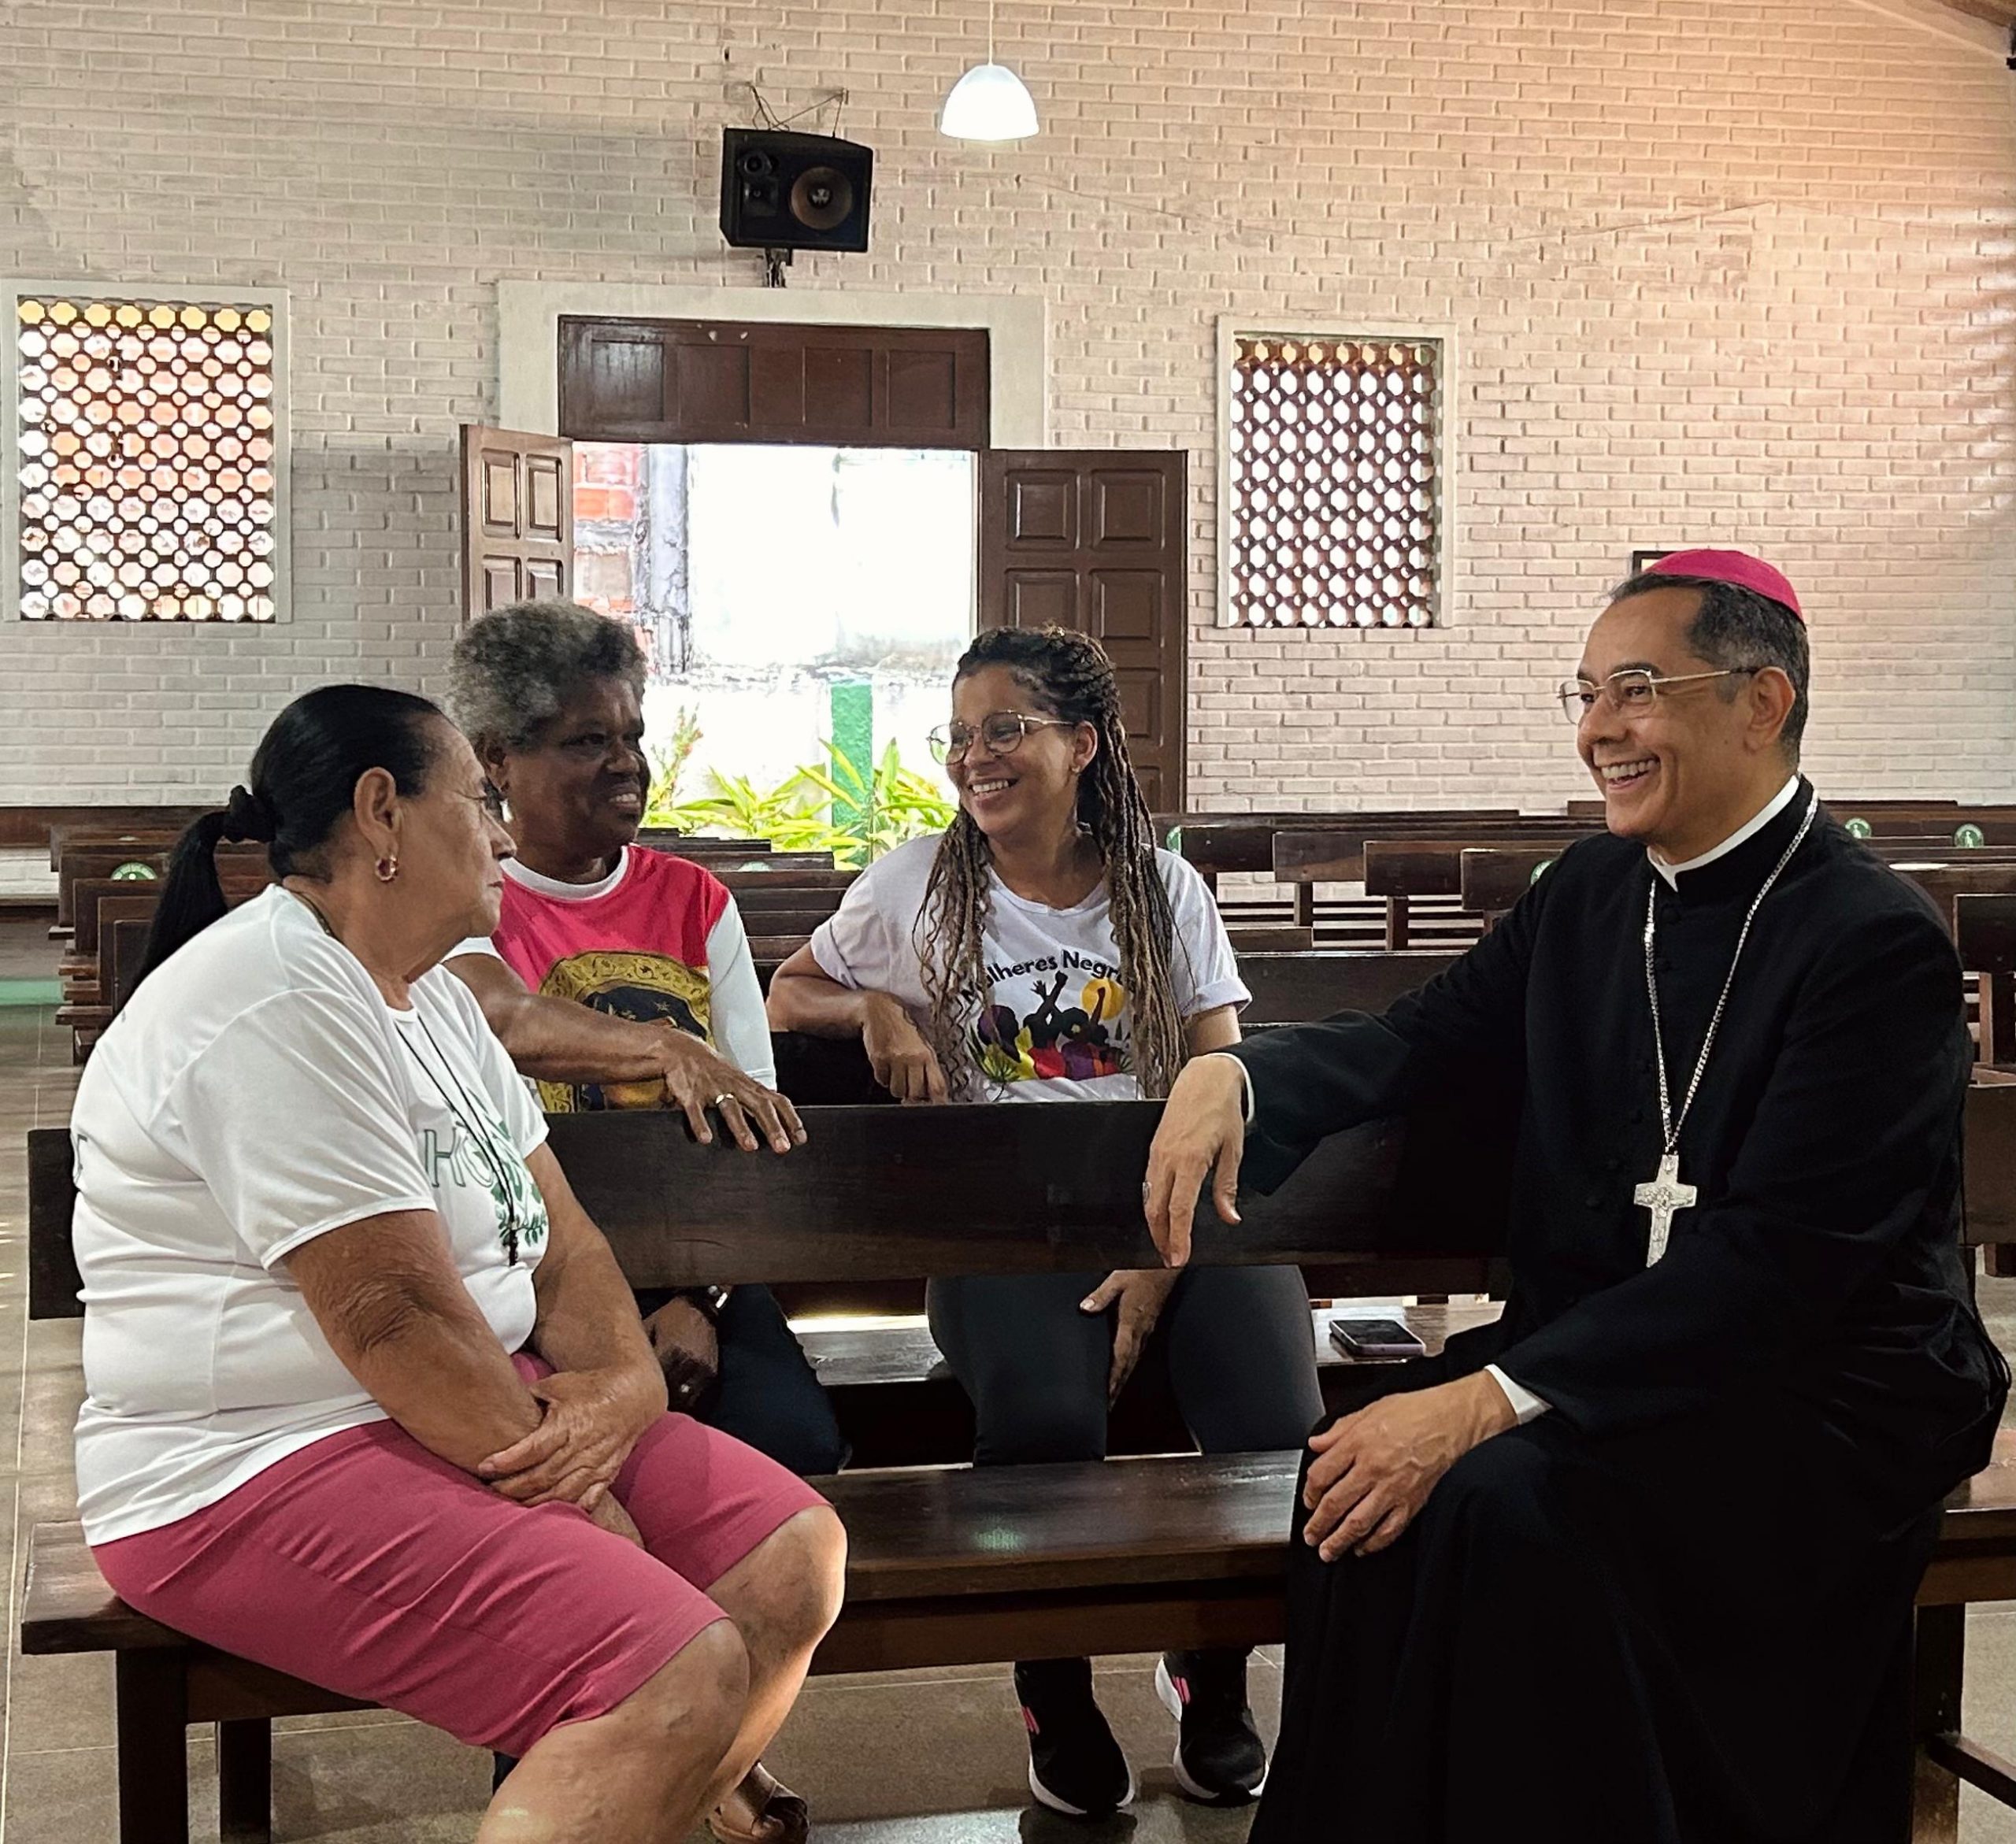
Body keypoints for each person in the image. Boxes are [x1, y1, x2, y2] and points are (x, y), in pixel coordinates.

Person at [1144, 550, 2010, 1844]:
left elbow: (1786, 1265)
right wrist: (1240, 1073)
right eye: (1589, 692)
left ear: (1762, 701)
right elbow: (1426, 1035)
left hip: (1827, 1385)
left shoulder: (1871, 941)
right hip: (1613, 1343)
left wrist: (1484, 1398)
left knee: (1503, 1505)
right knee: (1356, 1477)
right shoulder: (1595, 893)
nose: (1600, 727)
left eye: (1638, 689)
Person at [75, 685, 846, 1844]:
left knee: (789, 1557)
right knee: (663, 1664)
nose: (500, 834)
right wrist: (588, 1499)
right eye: (479, 801)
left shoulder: (434, 995)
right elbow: (393, 1320)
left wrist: (626, 1389)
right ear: (381, 813)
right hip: (248, 1459)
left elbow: (562, 1238)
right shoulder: (272, 997)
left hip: (448, 1404)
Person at [768, 625, 1324, 1819]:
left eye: (1006, 729)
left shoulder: (1159, 887)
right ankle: (1053, 1691)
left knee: (1278, 1425)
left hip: (1178, 1211)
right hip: (1002, 1223)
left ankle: (1213, 1671)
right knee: (1047, 1423)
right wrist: (873, 1011)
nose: (976, 756)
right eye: (961, 734)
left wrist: (1158, 1259)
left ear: (1082, 745)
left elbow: (1218, 1071)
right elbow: (788, 989)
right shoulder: (915, 881)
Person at [444, 601, 845, 1490]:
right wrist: (670, 1049)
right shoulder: (468, 899)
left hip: (696, 1264)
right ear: (498, 758)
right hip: (527, 1275)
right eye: (588, 741)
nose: (627, 762)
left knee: (793, 1446)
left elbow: (758, 1126)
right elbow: (500, 1017)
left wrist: (698, 1296)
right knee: (563, 1468)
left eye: (632, 734)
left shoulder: (695, 901)